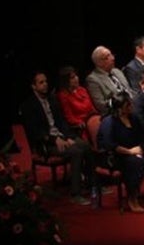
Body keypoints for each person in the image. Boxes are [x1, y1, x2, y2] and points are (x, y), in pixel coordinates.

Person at [18, 70, 95, 205]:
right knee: (76, 152)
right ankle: (75, 194)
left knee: (85, 146)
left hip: (61, 137)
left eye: (46, 81)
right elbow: (35, 132)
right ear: (33, 86)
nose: (45, 85)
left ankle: (92, 184)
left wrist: (68, 137)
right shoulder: (28, 106)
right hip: (46, 144)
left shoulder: (52, 100)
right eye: (41, 82)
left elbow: (62, 123)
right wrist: (54, 139)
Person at [56, 65, 102, 145]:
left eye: (76, 76)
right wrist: (82, 123)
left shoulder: (82, 90)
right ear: (66, 81)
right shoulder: (63, 96)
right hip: (82, 126)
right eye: (72, 78)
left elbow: (92, 108)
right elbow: (69, 117)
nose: (76, 78)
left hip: (92, 119)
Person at [85, 45, 134, 116]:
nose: (113, 58)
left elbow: (129, 91)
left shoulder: (117, 71)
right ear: (99, 63)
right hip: (116, 114)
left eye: (111, 55)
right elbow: (101, 105)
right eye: (107, 57)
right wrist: (123, 106)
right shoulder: (93, 80)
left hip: (133, 107)